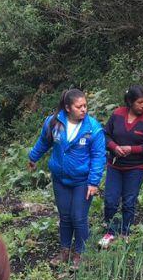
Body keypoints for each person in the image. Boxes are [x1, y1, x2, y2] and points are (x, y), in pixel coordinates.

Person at [28, 89, 107, 265]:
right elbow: (44, 141)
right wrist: (33, 157)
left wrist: (94, 182)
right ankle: (64, 252)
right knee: (65, 217)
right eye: (79, 106)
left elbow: (98, 156)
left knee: (78, 217)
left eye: (85, 105)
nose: (84, 109)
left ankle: (81, 254)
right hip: (60, 178)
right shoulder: (54, 122)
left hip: (83, 181)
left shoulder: (92, 128)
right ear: (67, 107)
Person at [98, 85, 143, 249]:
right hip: (115, 166)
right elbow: (105, 134)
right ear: (130, 102)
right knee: (110, 200)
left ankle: (125, 232)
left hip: (136, 167)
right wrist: (113, 146)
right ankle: (110, 231)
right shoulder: (117, 114)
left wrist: (132, 149)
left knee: (129, 201)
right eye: (140, 102)